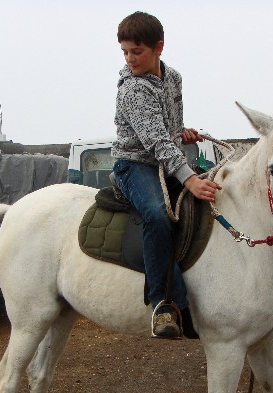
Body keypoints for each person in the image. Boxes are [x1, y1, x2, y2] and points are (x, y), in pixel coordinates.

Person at [111, 11, 221, 339]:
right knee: (158, 216)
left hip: (162, 162)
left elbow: (167, 132)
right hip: (134, 166)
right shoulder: (133, 89)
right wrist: (189, 179)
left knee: (216, 190)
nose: (130, 59)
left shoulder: (173, 78)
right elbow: (156, 142)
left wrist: (182, 132)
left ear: (159, 47)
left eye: (136, 51)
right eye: (125, 52)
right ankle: (164, 303)